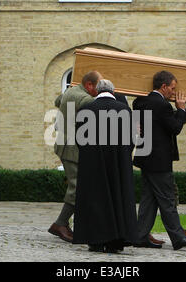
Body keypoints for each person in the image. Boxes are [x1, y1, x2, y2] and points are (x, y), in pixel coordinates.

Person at [132, 70, 186, 250]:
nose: (174, 92)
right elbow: (174, 127)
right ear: (163, 86)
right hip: (159, 161)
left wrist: (185, 112)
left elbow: (164, 124)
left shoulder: (140, 102)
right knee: (167, 199)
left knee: (149, 200)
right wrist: (180, 108)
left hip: (146, 158)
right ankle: (178, 237)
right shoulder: (162, 105)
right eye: (172, 88)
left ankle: (140, 236)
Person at [73, 79, 138, 253]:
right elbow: (133, 139)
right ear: (113, 91)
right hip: (119, 163)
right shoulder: (124, 110)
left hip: (93, 163)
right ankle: (116, 241)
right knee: (118, 198)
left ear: (96, 91)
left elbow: (80, 139)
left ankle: (95, 240)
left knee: (95, 199)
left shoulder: (86, 109)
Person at [48, 71, 103, 242]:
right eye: (98, 87)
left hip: (67, 145)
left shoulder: (72, 91)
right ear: (88, 85)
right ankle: (60, 224)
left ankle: (79, 224)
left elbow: (58, 101)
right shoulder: (85, 99)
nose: (100, 91)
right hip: (72, 149)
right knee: (78, 187)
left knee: (81, 186)